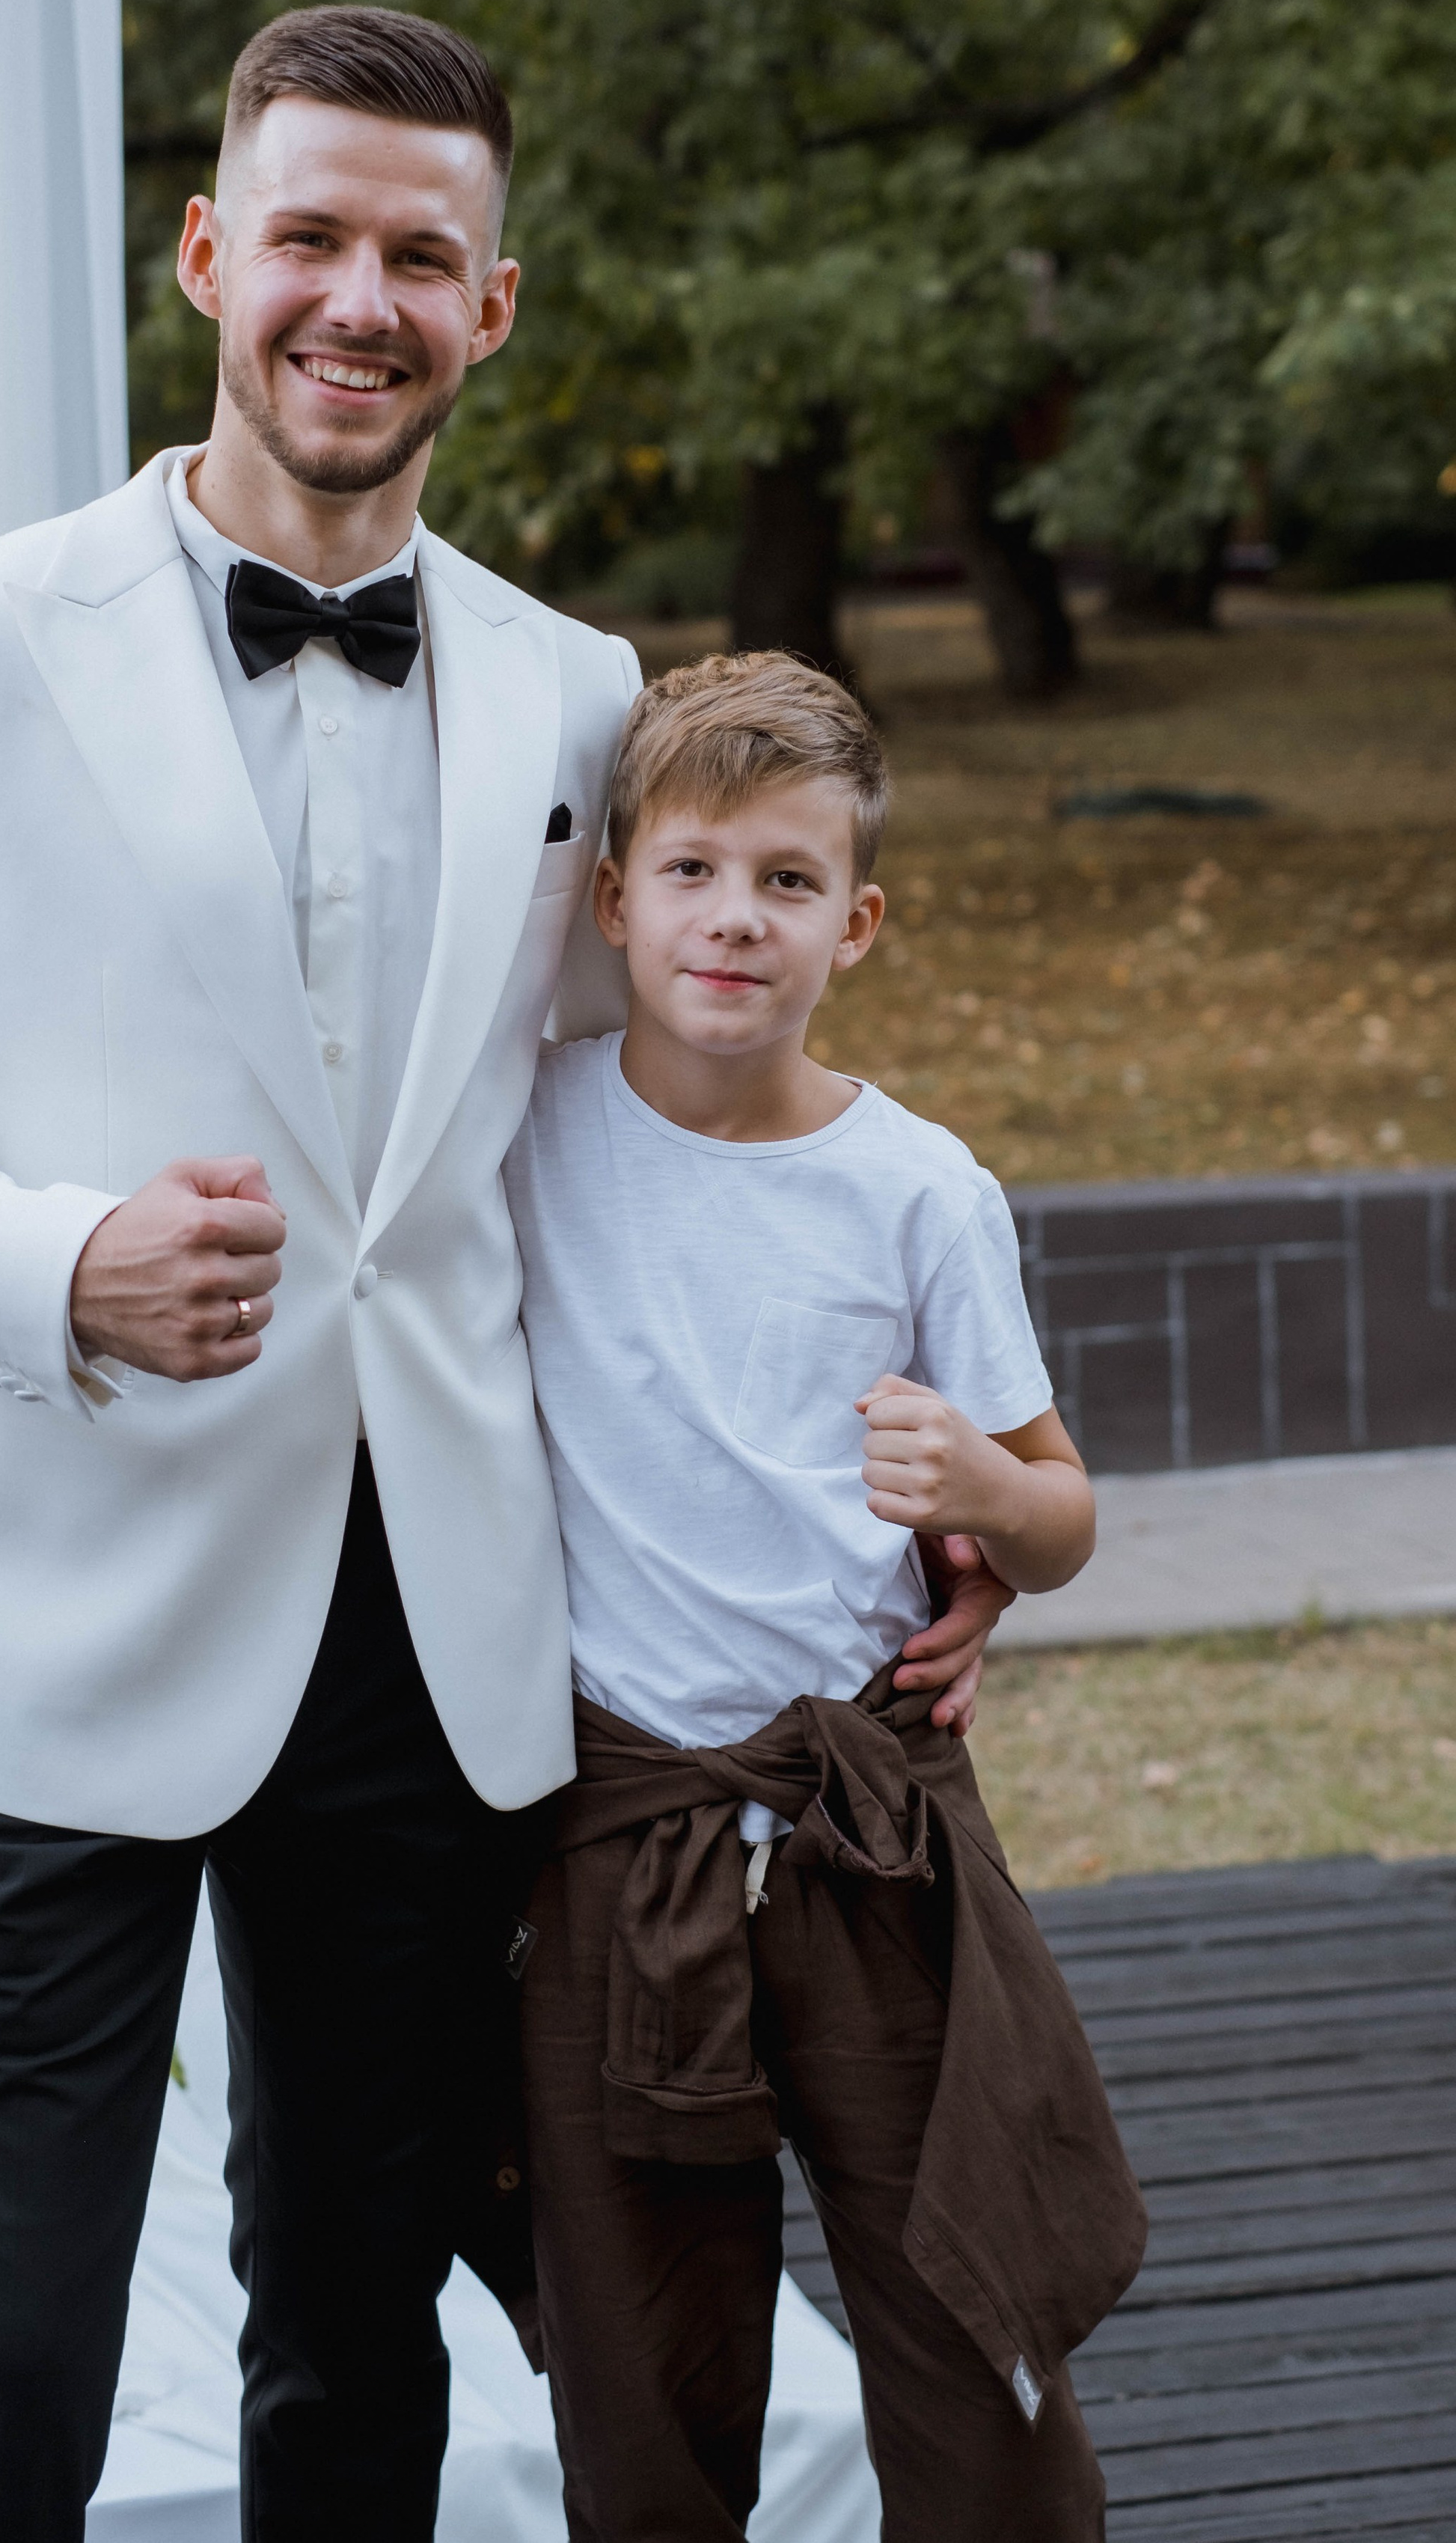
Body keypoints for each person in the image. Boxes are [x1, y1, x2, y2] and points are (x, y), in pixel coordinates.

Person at [0, 5, 1009, 2541]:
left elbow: (646, 1141)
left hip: (429, 1646)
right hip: (47, 1616)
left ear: (489, 308)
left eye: (422, 254)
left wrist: (923, 1484)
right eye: (307, 235)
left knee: (359, 2323)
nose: (358, 297)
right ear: (209, 252)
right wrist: (41, 1256)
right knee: (1, 2344)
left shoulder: (579, 693)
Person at [501, 651, 1148, 2542]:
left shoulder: (918, 1191)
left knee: (973, 2343)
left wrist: (988, 1508)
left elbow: (1062, 1508)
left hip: (872, 1834)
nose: (733, 921)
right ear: (613, 900)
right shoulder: (521, 1135)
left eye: (787, 883)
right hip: (613, 1834)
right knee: (641, 2390)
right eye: (693, 871)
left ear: (852, 924)